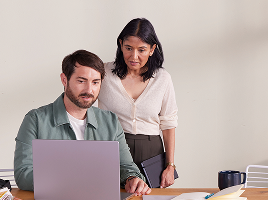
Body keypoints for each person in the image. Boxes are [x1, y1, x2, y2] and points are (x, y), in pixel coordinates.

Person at [14, 49, 151, 196]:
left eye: (95, 82)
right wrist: (72, 183)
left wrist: (132, 178)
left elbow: (126, 166)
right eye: (81, 81)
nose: (89, 90)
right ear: (64, 80)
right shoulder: (35, 120)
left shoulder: (110, 121)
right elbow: (23, 173)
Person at [98, 18, 178, 188]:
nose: (134, 56)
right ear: (120, 44)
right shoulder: (104, 74)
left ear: (152, 49)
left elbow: (169, 123)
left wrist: (170, 165)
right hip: (114, 149)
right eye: (128, 48)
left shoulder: (162, 79)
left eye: (141, 50)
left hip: (152, 152)